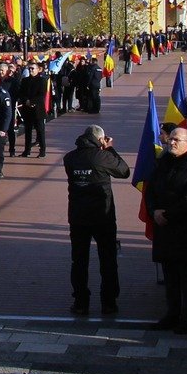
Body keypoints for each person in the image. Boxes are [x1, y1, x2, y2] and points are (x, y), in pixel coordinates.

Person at [60, 126, 130, 316]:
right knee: (108, 259)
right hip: (103, 215)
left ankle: (81, 302)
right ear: (100, 140)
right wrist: (109, 149)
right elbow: (124, 171)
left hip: (78, 216)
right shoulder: (102, 157)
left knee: (79, 261)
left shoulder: (70, 158)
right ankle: (108, 302)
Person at [143, 123, 187, 335]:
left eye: (176, 140)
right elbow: (150, 189)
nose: (171, 143)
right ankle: (172, 313)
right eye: (170, 139)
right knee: (169, 272)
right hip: (163, 225)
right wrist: (154, 211)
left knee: (184, 274)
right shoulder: (164, 162)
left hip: (182, 227)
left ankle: (186, 318)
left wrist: (167, 214)